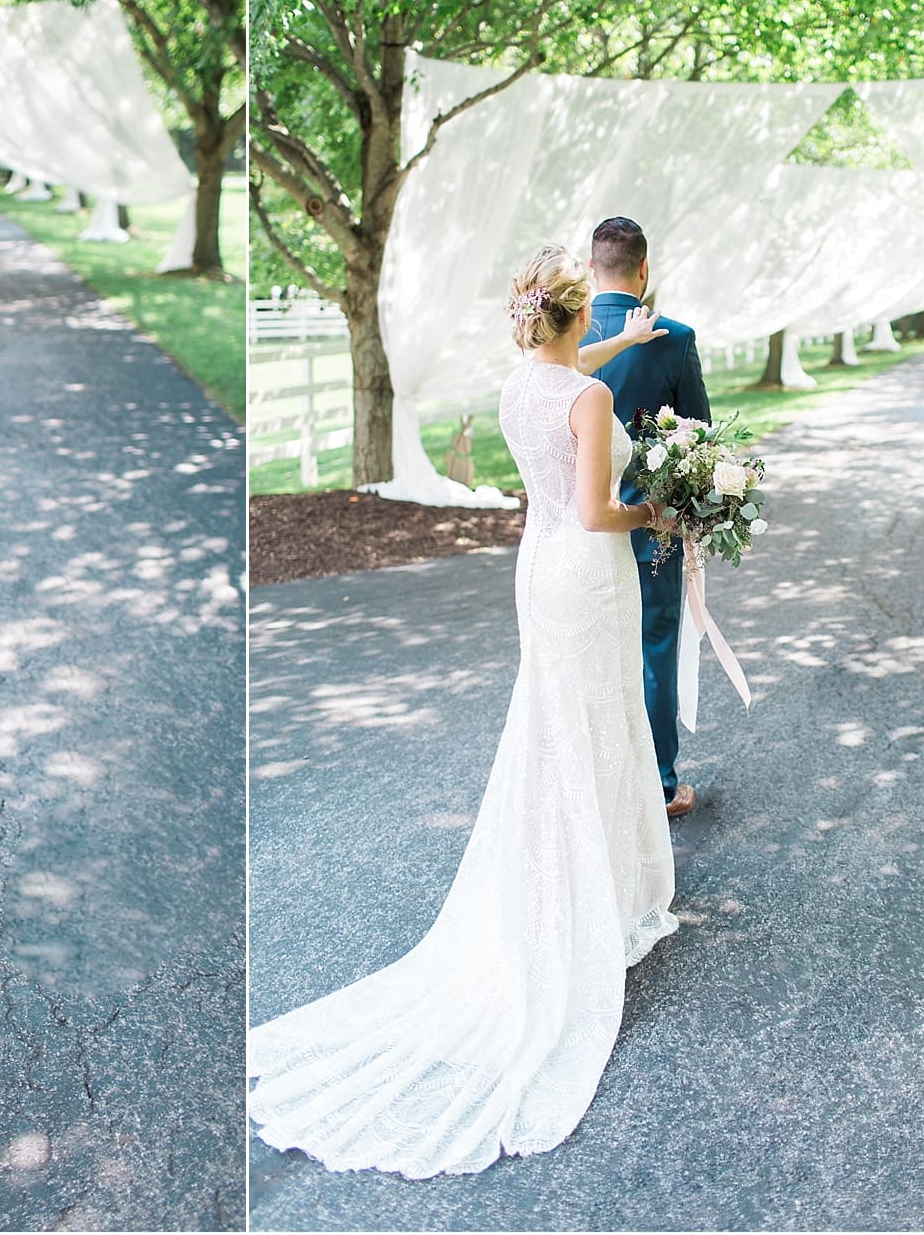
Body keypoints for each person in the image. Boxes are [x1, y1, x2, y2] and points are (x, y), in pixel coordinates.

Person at [247, 245, 679, 1179]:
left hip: (538, 569)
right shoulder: (587, 398)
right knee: (597, 729)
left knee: (556, 729)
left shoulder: (522, 385)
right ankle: (591, 901)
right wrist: (661, 515)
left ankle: (574, 886)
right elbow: (598, 511)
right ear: (577, 317)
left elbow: (570, 375)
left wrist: (628, 341)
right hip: (588, 571)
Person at [580, 215, 714, 817]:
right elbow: (699, 437)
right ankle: (659, 785)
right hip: (651, 528)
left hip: (579, 532)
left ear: (591, 269)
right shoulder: (674, 337)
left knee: (590, 653)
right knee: (654, 649)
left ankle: (596, 783)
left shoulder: (564, 339)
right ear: (644, 269)